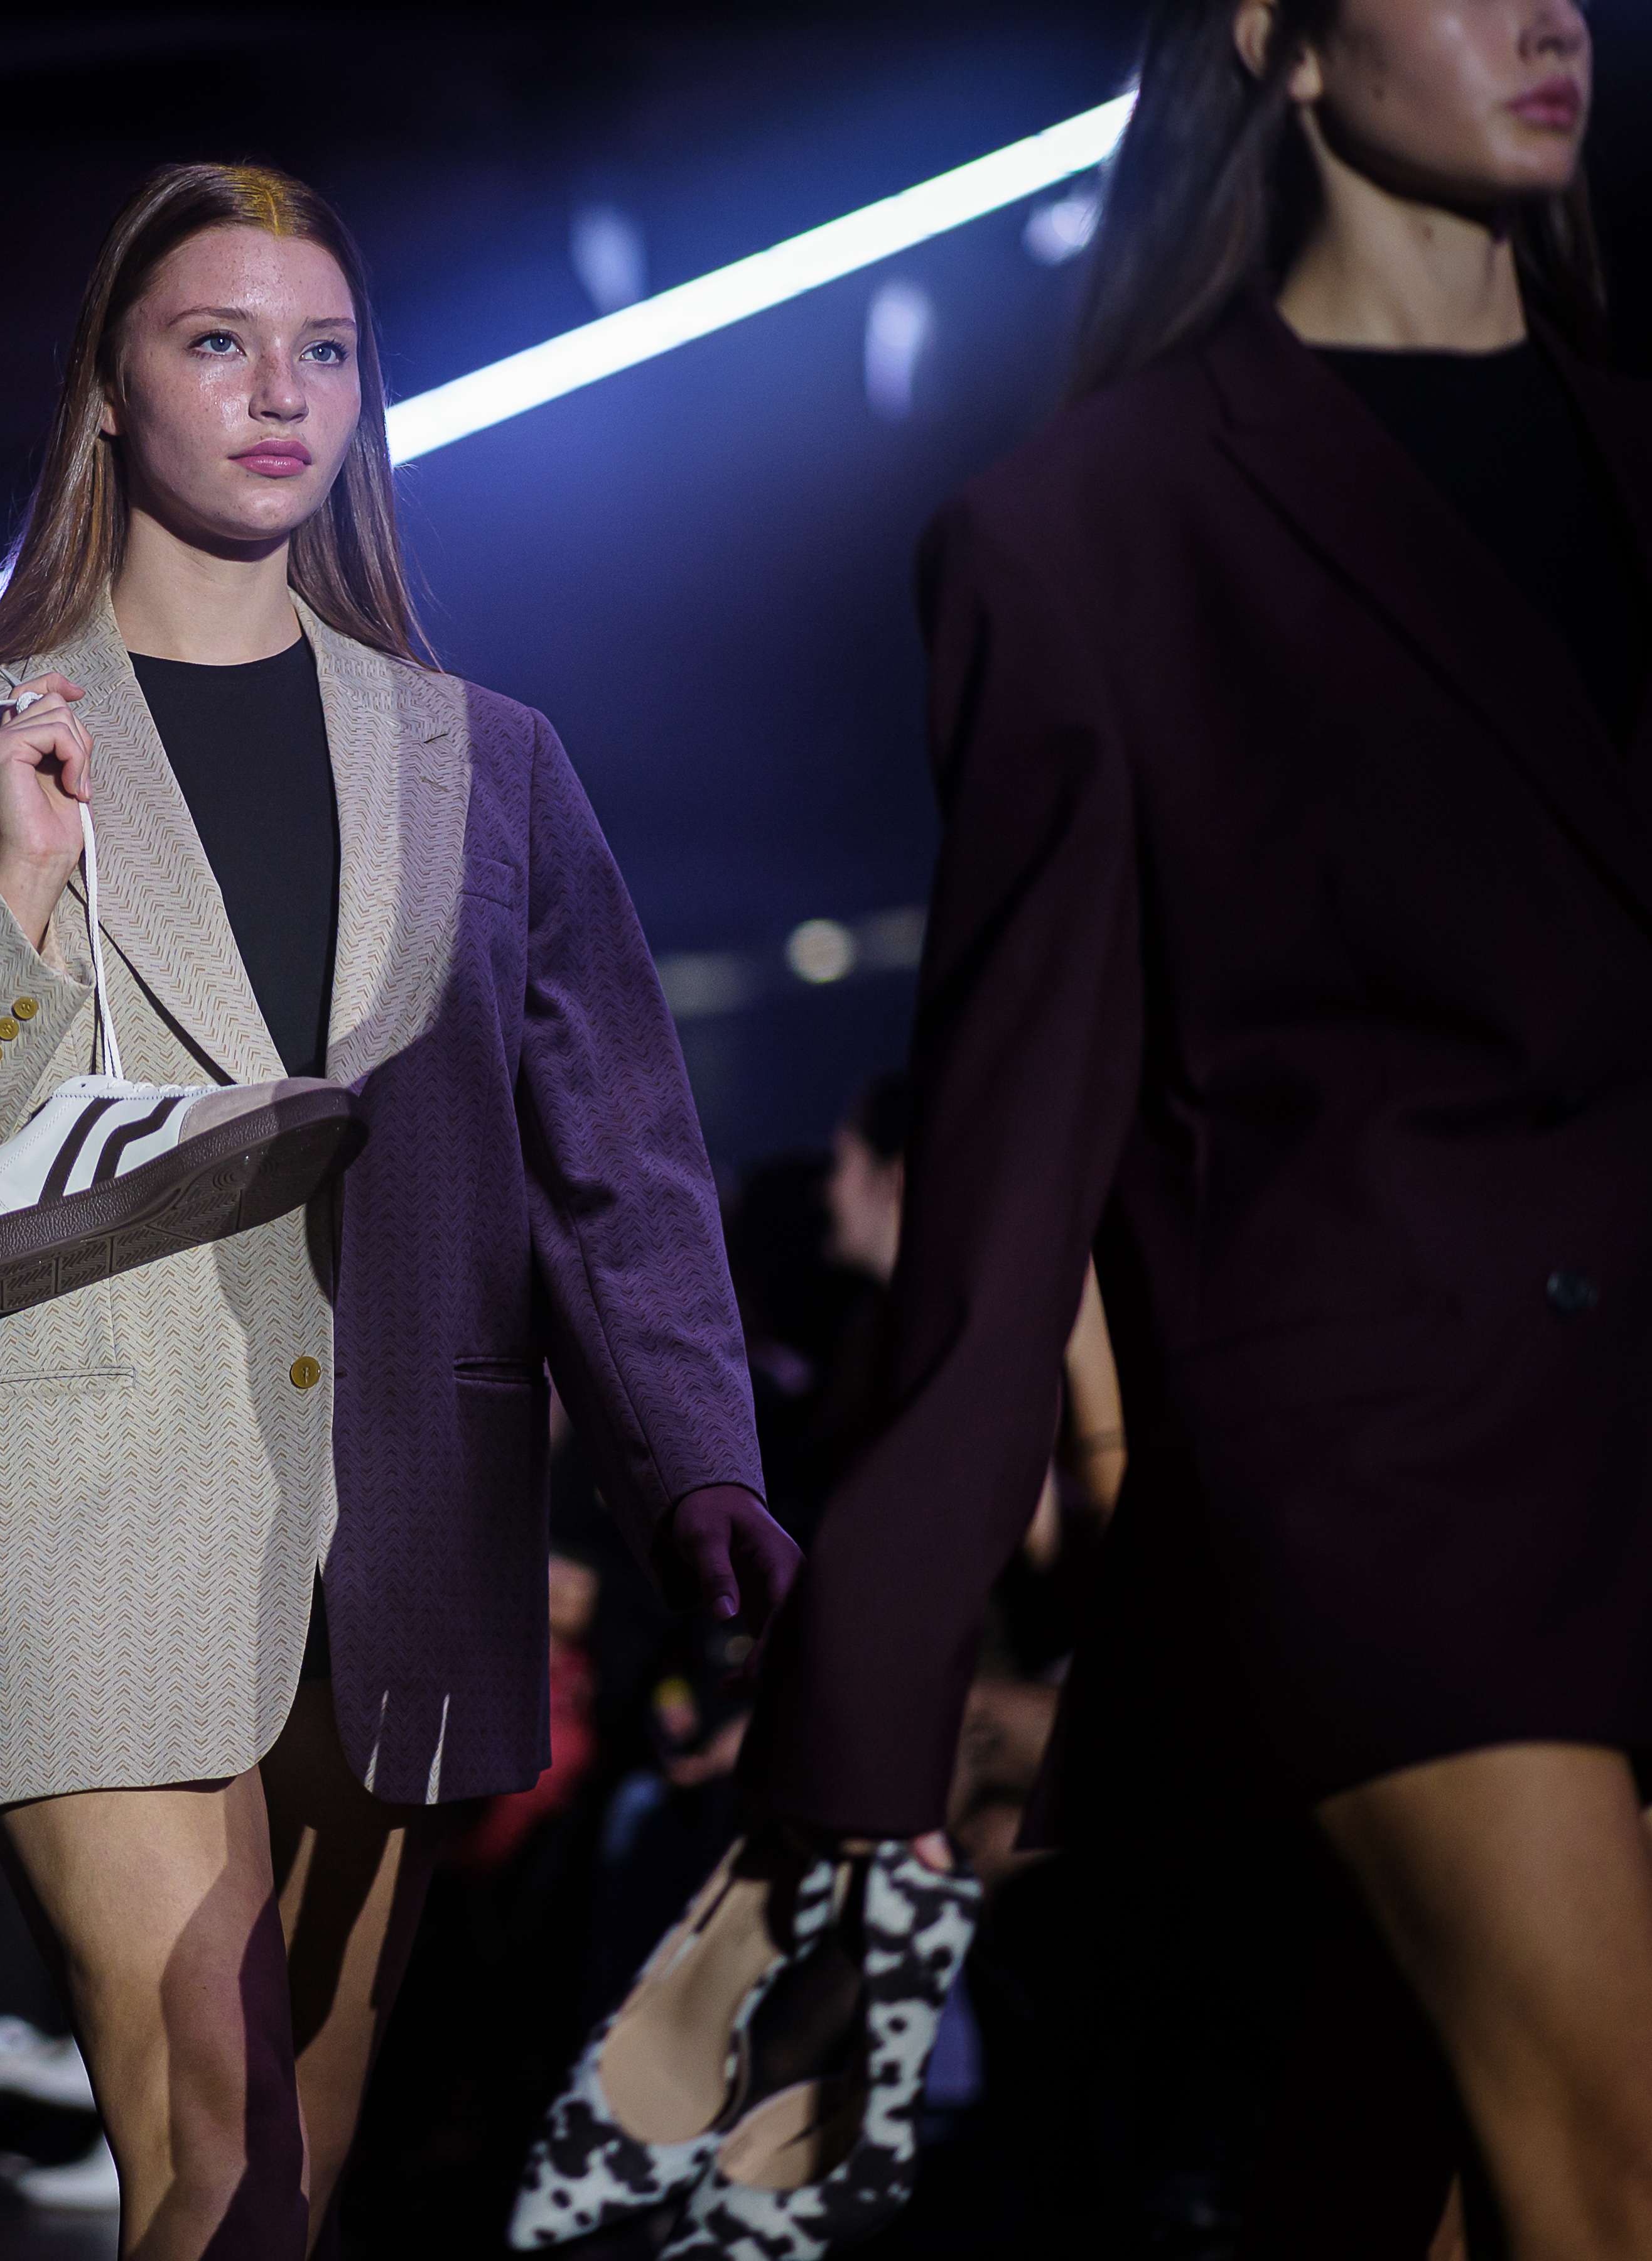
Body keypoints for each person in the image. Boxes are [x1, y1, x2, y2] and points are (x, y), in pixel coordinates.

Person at [0, 163, 791, 2258]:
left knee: (286, 2193)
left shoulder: (486, 759)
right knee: (221, 2144)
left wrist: (695, 1455)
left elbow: (615, 1148)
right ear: (110, 387)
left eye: (324, 349)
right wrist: (10, 896)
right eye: (218, 341)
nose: (279, 392)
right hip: (77, 1501)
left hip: (401, 1511)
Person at [740, 3, 1652, 2253]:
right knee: (1611, 2167)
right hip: (1386, 1474)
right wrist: (867, 1700)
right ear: (1283, 40)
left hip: (1628, 1431)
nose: (1545, 12)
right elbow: (1009, 1152)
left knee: (1420, 2191)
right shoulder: (1091, 534)